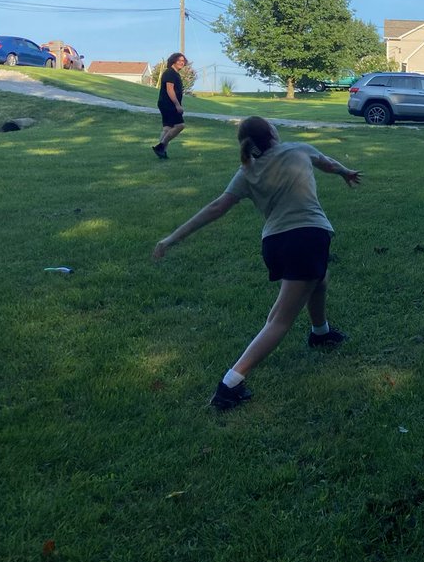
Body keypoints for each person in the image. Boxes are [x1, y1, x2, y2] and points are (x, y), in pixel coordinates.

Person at [152, 116, 362, 410]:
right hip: (307, 237)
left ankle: (320, 333)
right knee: (280, 319)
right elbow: (327, 163)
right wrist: (345, 172)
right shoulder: (298, 149)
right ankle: (230, 384)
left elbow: (216, 207)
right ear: (273, 133)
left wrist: (171, 238)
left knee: (319, 279)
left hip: (275, 243)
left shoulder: (247, 170)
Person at [154, 52, 188, 159]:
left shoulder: (174, 73)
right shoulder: (170, 73)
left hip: (165, 103)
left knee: (167, 128)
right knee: (180, 125)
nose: (181, 63)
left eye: (183, 61)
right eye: (179, 60)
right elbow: (170, 90)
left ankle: (162, 152)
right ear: (173, 61)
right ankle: (161, 146)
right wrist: (177, 105)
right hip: (168, 104)